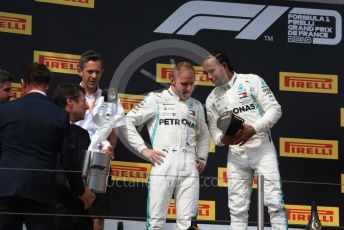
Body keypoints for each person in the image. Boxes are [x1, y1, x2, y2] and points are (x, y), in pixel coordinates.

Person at [0, 63, 95, 230]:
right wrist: (81, 190)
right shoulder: (59, 115)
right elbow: (69, 161)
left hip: (6, 187)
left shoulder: (6, 110)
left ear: (23, 83)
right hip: (41, 190)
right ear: (48, 84)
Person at [203, 51, 287, 230]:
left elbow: (275, 109)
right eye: (206, 73)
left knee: (274, 202)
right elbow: (214, 133)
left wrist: (253, 129)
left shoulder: (251, 81)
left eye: (211, 71)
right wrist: (224, 139)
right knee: (237, 208)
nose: (208, 77)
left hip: (262, 148)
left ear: (223, 66)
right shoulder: (211, 99)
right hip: (236, 155)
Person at [123, 61, 210, 230]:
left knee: (189, 224)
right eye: (184, 84)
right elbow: (128, 121)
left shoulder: (197, 105)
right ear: (172, 80)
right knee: (156, 222)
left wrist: (202, 157)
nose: (189, 88)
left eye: (192, 84)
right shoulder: (156, 99)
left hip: (189, 166)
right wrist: (144, 149)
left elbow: (205, 134)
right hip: (163, 163)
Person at [75, 50, 125, 230]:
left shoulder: (110, 97)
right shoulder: (71, 94)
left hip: (99, 159)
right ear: (80, 70)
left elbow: (115, 129)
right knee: (71, 208)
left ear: (102, 72)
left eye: (97, 71)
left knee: (98, 213)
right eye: (89, 71)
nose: (93, 76)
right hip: (74, 158)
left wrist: (110, 148)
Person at [53, 83, 94, 230]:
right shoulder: (49, 129)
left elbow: (87, 170)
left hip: (81, 211)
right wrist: (80, 189)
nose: (88, 107)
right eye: (84, 101)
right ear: (70, 102)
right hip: (55, 209)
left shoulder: (82, 135)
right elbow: (55, 166)